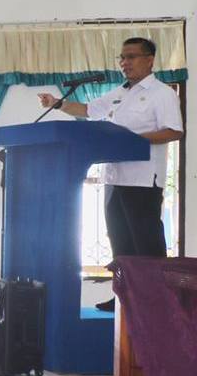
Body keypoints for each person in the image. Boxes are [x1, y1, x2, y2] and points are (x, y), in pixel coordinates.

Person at [38, 37, 184, 311]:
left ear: (149, 60)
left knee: (145, 246)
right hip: (114, 178)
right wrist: (58, 103)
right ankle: (123, 298)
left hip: (142, 180)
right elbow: (90, 111)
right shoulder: (120, 92)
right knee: (120, 243)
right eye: (122, 57)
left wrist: (132, 140)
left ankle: (155, 304)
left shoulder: (162, 93)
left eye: (131, 56)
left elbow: (174, 130)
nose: (124, 62)